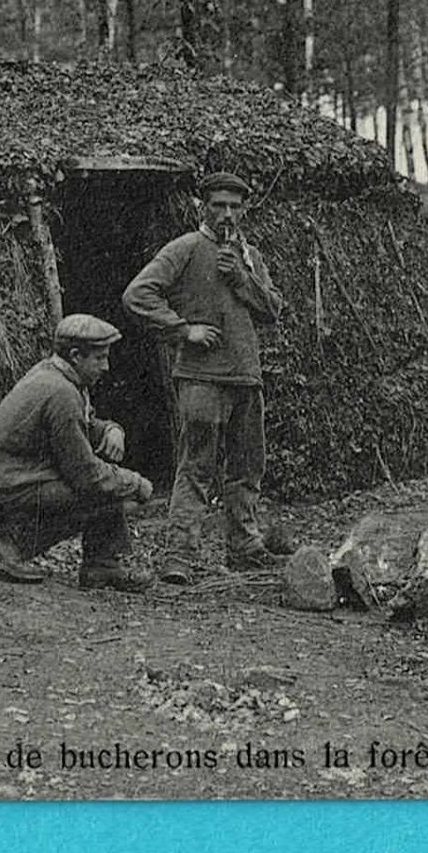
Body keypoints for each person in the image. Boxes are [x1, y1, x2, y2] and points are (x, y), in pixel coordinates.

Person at [122, 170, 286, 584]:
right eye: (219, 205)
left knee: (248, 466)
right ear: (203, 207)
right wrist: (182, 329)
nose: (227, 214)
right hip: (200, 377)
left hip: (246, 378)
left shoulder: (250, 256)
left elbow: (272, 310)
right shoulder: (186, 248)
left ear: (244, 209)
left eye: (235, 206)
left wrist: (241, 278)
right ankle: (180, 554)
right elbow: (138, 294)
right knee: (197, 467)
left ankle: (244, 545)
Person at [0, 313, 155, 592]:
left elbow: (81, 424)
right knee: (106, 491)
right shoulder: (61, 392)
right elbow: (86, 475)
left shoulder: (52, 374)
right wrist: (135, 482)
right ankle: (11, 542)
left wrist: (111, 429)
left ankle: (101, 566)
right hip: (1, 486)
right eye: (99, 358)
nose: (106, 367)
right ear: (76, 355)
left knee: (107, 487)